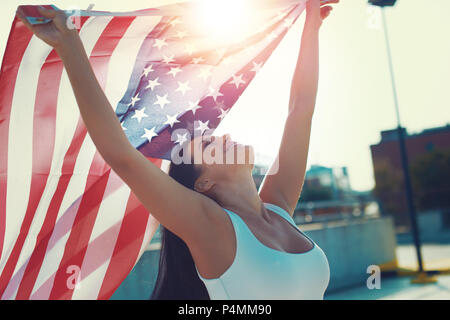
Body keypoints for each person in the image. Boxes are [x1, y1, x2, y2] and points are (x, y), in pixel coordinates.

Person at [16, 0, 338, 300]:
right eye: (209, 144)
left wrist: (312, 22)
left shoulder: (278, 209)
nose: (222, 136)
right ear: (203, 184)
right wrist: (69, 44)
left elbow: (301, 110)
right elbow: (122, 155)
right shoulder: (211, 227)